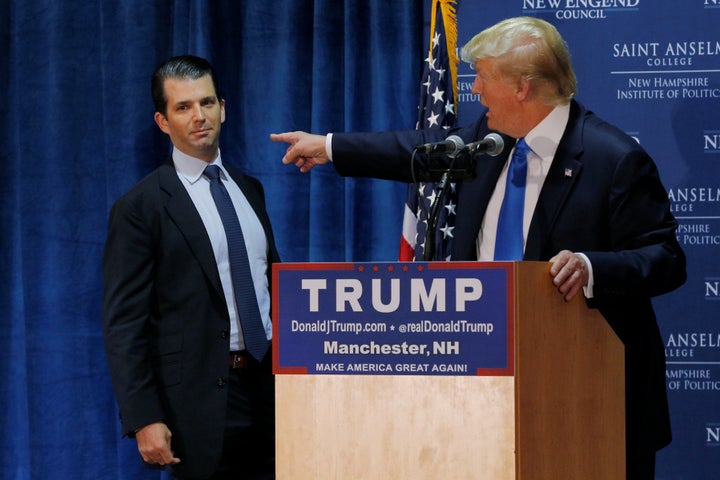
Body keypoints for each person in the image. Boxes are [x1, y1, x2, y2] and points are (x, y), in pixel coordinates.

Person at [270, 16, 686, 480]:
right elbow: (416, 147)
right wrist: (329, 146)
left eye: (484, 78)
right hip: (488, 387)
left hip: (588, 397)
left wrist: (591, 267)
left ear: (523, 88)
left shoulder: (613, 158)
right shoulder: (487, 145)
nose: (476, 91)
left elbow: (665, 258)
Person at [103, 55, 278, 479]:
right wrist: (144, 417)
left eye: (207, 102)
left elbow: (269, 284)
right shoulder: (140, 207)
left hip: (270, 392)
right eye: (183, 108)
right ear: (163, 121)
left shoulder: (249, 189)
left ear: (224, 108)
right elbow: (124, 324)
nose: (199, 116)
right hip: (198, 407)